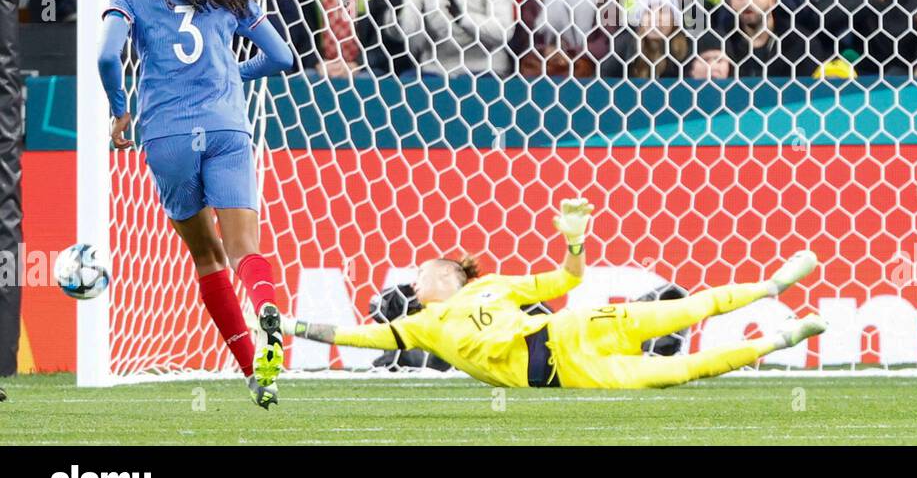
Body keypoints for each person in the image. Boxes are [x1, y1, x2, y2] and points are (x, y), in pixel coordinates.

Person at [287, 198, 826, 389]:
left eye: (420, 274)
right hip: (566, 374)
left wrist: (574, 240)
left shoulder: (495, 285)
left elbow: (567, 280)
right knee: (679, 372)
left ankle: (772, 285)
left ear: (448, 273)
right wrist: (291, 327)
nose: (411, 284)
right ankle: (778, 338)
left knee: (688, 307)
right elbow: (352, 336)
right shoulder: (422, 326)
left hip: (570, 328)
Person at [97, 0, 294, 408]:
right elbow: (281, 57)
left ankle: (254, 372)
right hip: (227, 126)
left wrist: (121, 111)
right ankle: (268, 308)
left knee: (207, 257)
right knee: (245, 250)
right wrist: (232, 75)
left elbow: (105, 55)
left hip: (167, 135)